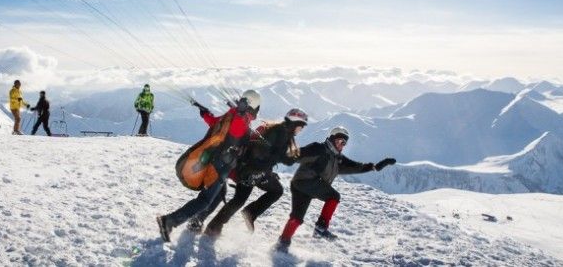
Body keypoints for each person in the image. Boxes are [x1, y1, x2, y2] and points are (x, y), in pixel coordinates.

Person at [157, 89, 261, 242]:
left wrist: (206, 114)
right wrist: (240, 113)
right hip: (220, 166)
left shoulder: (232, 114)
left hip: (218, 162)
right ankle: (169, 221)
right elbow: (236, 131)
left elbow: (215, 124)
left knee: (219, 195)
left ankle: (195, 222)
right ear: (254, 106)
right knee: (205, 200)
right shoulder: (240, 118)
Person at [275, 126, 396, 252]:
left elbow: (356, 167)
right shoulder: (319, 148)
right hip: (306, 182)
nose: (341, 145)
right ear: (332, 139)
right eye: (339, 140)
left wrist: (378, 166)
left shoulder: (338, 159)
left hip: (300, 185)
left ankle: (283, 242)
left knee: (297, 217)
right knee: (334, 196)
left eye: (344, 143)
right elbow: (297, 154)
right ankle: (321, 227)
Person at [201, 108, 309, 238]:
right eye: (301, 126)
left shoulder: (279, 130)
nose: (301, 129)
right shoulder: (281, 132)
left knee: (240, 199)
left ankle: (214, 227)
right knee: (275, 191)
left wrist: (269, 169)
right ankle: (249, 213)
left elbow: (270, 153)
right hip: (253, 170)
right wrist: (291, 159)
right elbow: (274, 155)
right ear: (294, 123)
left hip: (249, 169)